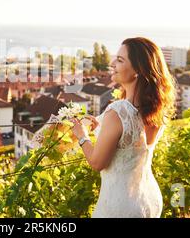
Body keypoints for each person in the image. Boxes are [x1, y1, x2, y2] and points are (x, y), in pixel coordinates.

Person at [70, 37, 176, 218]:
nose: (112, 63)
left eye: (120, 60)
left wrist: (82, 135)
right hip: (148, 200)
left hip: (120, 207)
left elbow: (97, 163)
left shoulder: (117, 111)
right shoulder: (157, 110)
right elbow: (130, 144)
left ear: (138, 70)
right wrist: (99, 129)